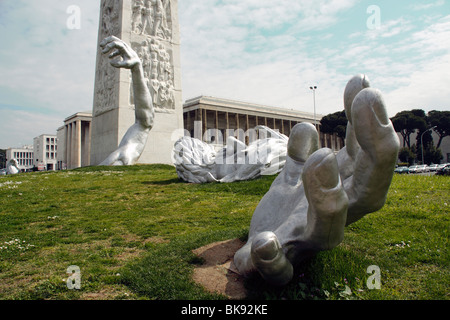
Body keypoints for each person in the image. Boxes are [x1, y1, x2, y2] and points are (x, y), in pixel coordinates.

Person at [98, 36, 155, 166]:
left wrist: (137, 69)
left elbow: (145, 123)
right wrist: (137, 69)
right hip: (128, 151)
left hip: (127, 150)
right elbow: (145, 123)